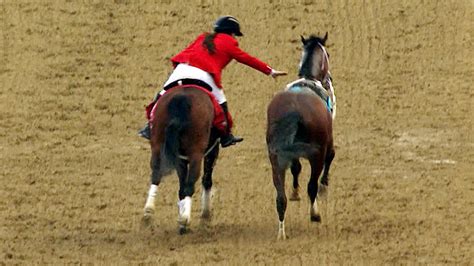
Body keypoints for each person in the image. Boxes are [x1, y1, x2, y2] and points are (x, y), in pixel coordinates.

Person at [138, 15, 287, 147]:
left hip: (182, 70)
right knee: (221, 103)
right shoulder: (230, 43)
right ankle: (226, 135)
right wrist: (270, 71)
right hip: (204, 75)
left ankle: (150, 126)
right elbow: (247, 59)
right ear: (232, 32)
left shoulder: (203, 37)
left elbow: (188, 52)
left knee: (163, 95)